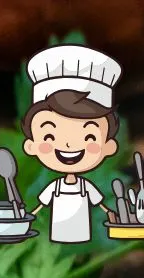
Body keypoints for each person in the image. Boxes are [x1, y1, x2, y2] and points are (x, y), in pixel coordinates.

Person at [22, 46, 120, 244]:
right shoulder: (55, 186)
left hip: (81, 230)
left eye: (88, 136)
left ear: (108, 146)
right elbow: (40, 205)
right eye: (50, 134)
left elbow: (99, 202)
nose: (67, 144)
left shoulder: (85, 185)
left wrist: (110, 213)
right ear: (31, 145)